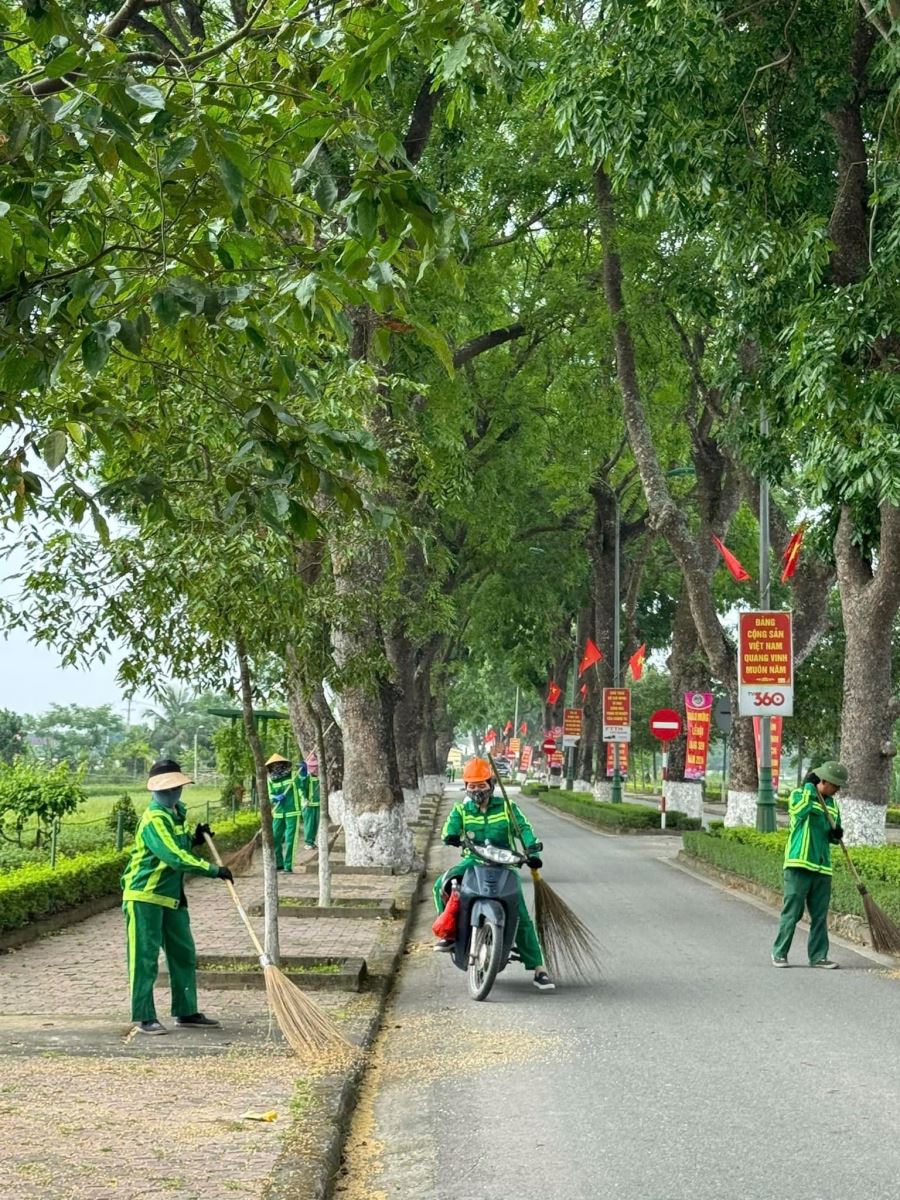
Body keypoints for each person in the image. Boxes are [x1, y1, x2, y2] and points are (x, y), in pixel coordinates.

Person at [121, 758, 234, 1035]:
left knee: (183, 954)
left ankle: (186, 1011)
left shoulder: (176, 814)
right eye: (166, 789)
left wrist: (195, 839)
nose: (171, 793)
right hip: (144, 896)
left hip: (172, 899)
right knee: (143, 958)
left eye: (175, 787)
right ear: (155, 791)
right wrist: (213, 870)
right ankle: (144, 1015)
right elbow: (172, 856)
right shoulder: (154, 819)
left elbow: (179, 845)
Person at [433, 756, 555, 991]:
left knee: (519, 912)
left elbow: (525, 830)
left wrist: (531, 849)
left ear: (491, 784)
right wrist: (450, 836)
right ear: (466, 787)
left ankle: (539, 968)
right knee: (442, 883)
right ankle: (448, 934)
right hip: (473, 861)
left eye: (482, 784)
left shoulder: (508, 808)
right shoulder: (461, 809)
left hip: (505, 864)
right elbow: (450, 828)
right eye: (472, 785)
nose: (477, 789)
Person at [772, 760, 848, 969]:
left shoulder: (833, 804)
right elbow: (799, 811)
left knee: (820, 915)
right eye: (835, 785)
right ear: (823, 781)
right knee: (793, 912)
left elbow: (833, 836)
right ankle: (779, 953)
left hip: (822, 868)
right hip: (799, 864)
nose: (837, 790)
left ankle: (818, 956)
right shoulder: (799, 795)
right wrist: (809, 787)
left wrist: (836, 834)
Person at [266, 753, 301, 871]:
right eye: (274, 765)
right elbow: (269, 794)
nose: (277, 766)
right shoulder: (270, 779)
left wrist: (304, 773)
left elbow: (303, 785)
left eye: (279, 764)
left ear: (284, 764)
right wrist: (275, 798)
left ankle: (288, 865)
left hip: (293, 811)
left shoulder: (293, 775)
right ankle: (279, 863)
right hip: (278, 812)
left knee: (290, 839)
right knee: (275, 838)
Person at [302, 752, 321, 850]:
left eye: (316, 767)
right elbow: (302, 789)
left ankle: (312, 841)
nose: (315, 769)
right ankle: (308, 842)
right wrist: (305, 799)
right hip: (308, 805)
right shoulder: (306, 778)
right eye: (313, 767)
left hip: (317, 804)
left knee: (315, 824)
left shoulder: (319, 777)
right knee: (309, 825)